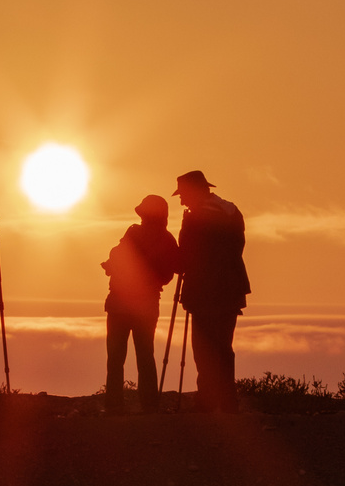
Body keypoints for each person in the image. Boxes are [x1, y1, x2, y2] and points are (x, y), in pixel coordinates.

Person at [173, 171, 250, 413]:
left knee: (204, 347)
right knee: (223, 346)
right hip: (231, 288)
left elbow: (188, 256)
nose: (182, 200)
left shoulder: (197, 217)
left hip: (205, 290)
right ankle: (227, 399)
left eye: (183, 194)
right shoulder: (231, 210)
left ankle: (207, 399)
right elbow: (238, 247)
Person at [101, 195, 179, 414]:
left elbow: (117, 257)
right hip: (146, 305)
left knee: (116, 357)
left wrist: (112, 266)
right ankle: (150, 405)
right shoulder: (167, 239)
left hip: (119, 303)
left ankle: (114, 405)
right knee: (146, 355)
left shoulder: (133, 233)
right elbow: (169, 273)